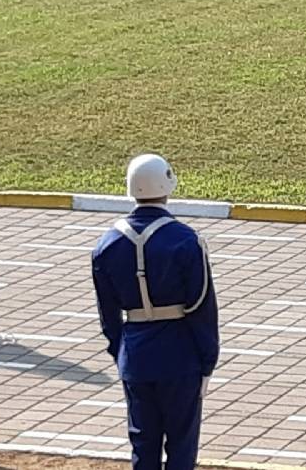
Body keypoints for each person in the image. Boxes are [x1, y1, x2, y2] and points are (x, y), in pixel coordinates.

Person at [92, 154, 219, 470]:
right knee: (181, 447)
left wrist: (121, 351)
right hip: (180, 356)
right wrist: (207, 360)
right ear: (168, 185)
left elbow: (108, 316)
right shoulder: (186, 240)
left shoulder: (106, 244)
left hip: (135, 355)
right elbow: (202, 306)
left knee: (143, 446)